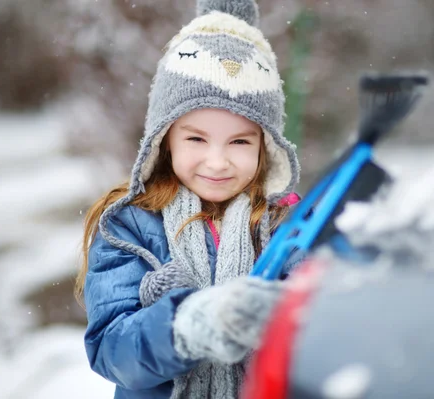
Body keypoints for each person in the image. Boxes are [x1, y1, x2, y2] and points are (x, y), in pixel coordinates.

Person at [74, 0, 302, 397]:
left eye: (239, 141)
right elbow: (112, 349)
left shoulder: (286, 223)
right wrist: (184, 327)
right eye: (196, 138)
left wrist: (283, 314)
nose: (217, 161)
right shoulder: (130, 226)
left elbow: (323, 315)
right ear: (165, 140)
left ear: (266, 147)